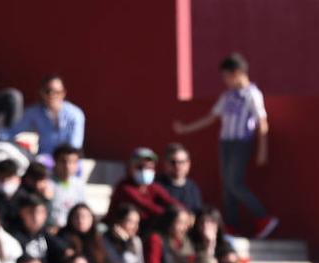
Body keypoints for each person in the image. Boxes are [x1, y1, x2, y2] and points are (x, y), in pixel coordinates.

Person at [173, 53, 277, 239]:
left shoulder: (252, 94)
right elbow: (211, 117)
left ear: (237, 73)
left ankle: (263, 217)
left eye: (226, 76)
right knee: (226, 185)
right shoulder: (227, 96)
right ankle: (232, 224)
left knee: (234, 183)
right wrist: (186, 128)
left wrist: (263, 150)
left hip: (241, 142)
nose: (225, 80)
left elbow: (262, 122)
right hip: (226, 143)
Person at [0, 74, 83, 156]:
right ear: (41, 92)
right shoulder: (34, 112)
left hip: (69, 162)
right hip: (44, 161)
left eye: (57, 92)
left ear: (63, 93)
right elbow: (13, 131)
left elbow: (75, 146)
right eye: (48, 91)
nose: (52, 95)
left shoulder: (75, 114)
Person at [108, 147, 180, 229]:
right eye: (140, 167)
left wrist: (184, 212)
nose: (145, 171)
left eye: (149, 167)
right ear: (130, 167)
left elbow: (169, 200)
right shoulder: (124, 187)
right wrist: (171, 215)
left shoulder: (153, 187)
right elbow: (147, 206)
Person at [157, 142, 202, 214]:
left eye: (182, 162)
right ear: (165, 163)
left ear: (188, 163)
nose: (177, 166)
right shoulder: (156, 186)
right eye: (173, 162)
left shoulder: (193, 188)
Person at [48, 143, 84, 228]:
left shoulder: (79, 185)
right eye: (63, 161)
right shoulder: (46, 183)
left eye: (72, 162)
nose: (67, 166)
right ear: (55, 162)